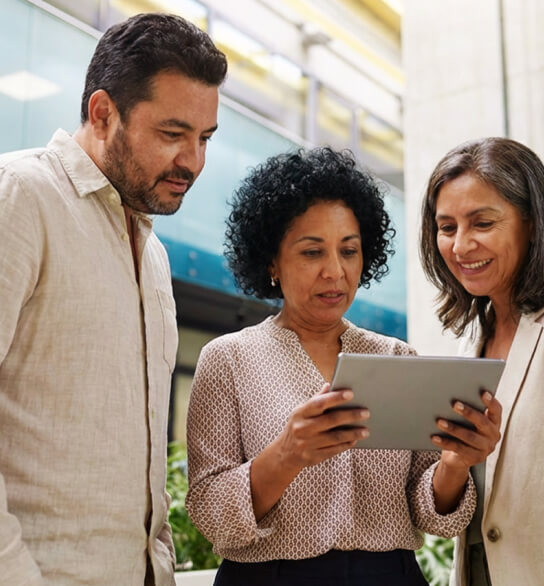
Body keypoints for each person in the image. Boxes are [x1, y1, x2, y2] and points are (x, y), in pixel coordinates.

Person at [186, 147, 502, 586]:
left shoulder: (396, 358)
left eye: (349, 251)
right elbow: (209, 511)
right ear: (272, 261)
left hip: (390, 576)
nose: (335, 272)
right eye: (312, 252)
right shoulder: (228, 359)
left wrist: (454, 464)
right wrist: (287, 455)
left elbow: (435, 518)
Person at [0, 13, 227, 586]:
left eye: (204, 139)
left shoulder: (153, 254)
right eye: (173, 135)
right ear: (103, 113)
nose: (193, 162)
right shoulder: (19, 197)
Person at [419, 136, 544, 586]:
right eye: (446, 228)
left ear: (532, 222)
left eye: (481, 223)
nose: (461, 245)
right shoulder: (477, 340)